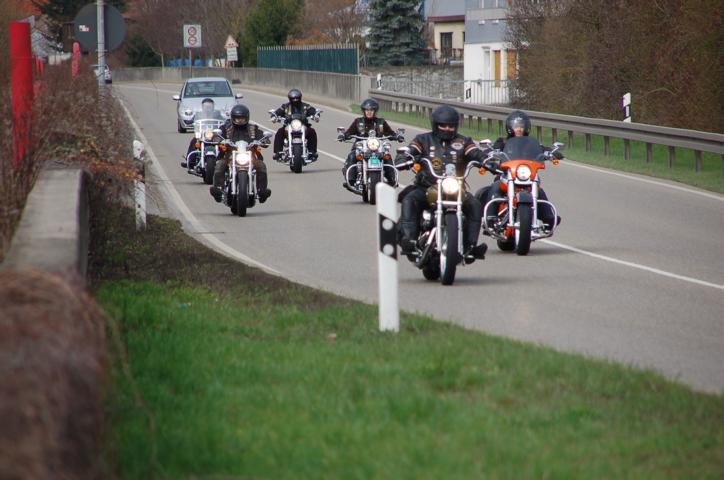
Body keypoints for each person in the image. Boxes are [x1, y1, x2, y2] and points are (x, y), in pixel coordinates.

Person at [395, 105, 489, 262]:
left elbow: (475, 153)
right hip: (427, 187)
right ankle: (409, 241)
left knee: (475, 205)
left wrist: (487, 160)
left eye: (451, 126)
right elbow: (411, 150)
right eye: (443, 125)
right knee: (409, 199)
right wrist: (404, 158)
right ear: (435, 124)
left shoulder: (464, 141)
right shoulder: (423, 140)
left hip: (455, 188)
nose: (447, 129)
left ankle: (470, 246)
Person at [477, 110, 562, 229]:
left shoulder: (532, 143)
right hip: (506, 175)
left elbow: (542, 149)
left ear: (527, 127)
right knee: (496, 187)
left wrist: (552, 152)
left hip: (527, 176)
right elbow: (493, 149)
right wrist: (488, 153)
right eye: (516, 126)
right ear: (510, 127)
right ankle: (490, 217)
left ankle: (549, 218)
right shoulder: (503, 142)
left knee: (540, 191)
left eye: (522, 126)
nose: (519, 129)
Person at [209, 104, 272, 203]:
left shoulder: (253, 128)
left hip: (250, 156)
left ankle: (262, 191)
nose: (240, 121)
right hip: (230, 156)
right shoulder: (226, 127)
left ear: (247, 117)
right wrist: (217, 138)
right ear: (233, 118)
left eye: (242, 118)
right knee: (220, 165)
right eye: (238, 118)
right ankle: (218, 189)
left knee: (261, 165)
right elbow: (217, 135)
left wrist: (264, 140)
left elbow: (262, 136)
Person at [338, 98, 403, 190]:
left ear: (375, 111)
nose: (369, 112)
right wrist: (343, 135)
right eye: (367, 110)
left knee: (387, 157)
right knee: (352, 156)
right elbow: (349, 132)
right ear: (364, 111)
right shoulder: (358, 121)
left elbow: (390, 132)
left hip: (377, 147)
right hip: (361, 147)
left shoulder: (381, 122)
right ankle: (351, 180)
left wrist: (397, 136)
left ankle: (392, 180)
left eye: (371, 110)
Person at [272, 89, 318, 161]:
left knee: (312, 131)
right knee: (279, 132)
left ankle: (312, 152)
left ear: (300, 97)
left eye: (297, 98)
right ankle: (278, 152)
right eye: (293, 98)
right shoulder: (285, 106)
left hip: (303, 125)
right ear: (290, 98)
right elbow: (277, 112)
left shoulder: (305, 106)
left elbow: (313, 111)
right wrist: (274, 116)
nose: (295, 100)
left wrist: (316, 115)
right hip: (289, 126)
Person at [183, 98, 224, 167]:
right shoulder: (199, 114)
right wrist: (190, 122)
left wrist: (226, 122)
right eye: (206, 106)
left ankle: (224, 160)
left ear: (213, 106)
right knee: (194, 141)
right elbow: (193, 120)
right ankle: (189, 161)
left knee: (224, 144)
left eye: (210, 106)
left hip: (214, 135)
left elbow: (223, 121)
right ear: (202, 107)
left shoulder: (217, 114)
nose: (208, 108)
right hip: (203, 134)